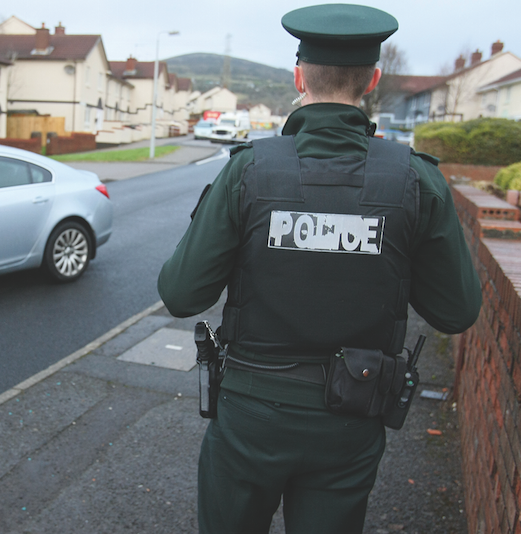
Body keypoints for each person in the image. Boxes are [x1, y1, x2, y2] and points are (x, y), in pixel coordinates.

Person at [157, 4, 482, 534]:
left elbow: (179, 292)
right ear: (373, 81)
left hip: (249, 419)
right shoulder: (416, 182)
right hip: (351, 420)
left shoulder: (248, 170)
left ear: (298, 76)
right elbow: (456, 311)